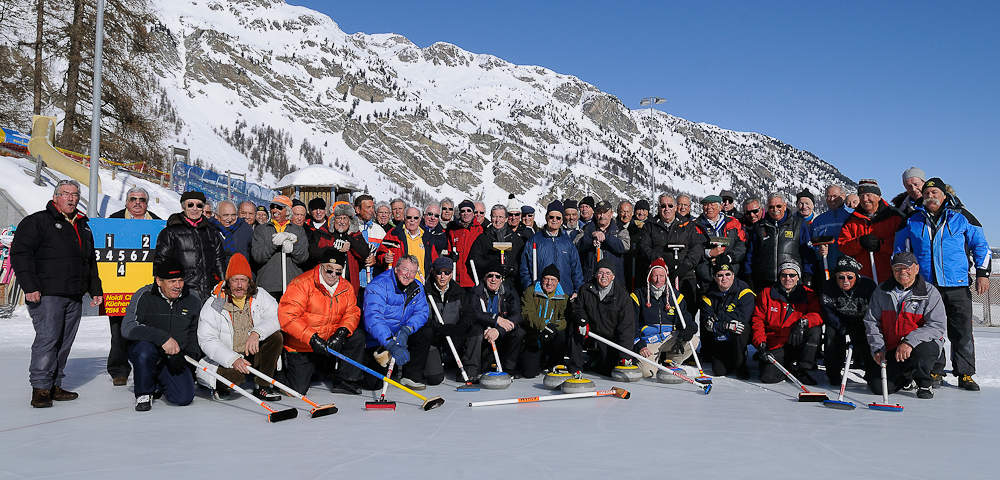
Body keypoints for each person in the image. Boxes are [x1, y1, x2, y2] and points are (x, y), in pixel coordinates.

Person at [12, 180, 103, 408]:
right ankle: (40, 389)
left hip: (74, 294)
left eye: (75, 194)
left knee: (64, 341)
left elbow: (89, 261)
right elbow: (21, 254)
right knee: (48, 340)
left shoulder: (83, 226)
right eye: (66, 194)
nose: (71, 199)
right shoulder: (37, 221)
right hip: (47, 294)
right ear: (56, 197)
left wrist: (95, 290)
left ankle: (54, 384)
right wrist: (30, 286)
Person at [894, 177, 991, 391]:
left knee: (961, 331)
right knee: (930, 330)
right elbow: (900, 251)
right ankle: (935, 370)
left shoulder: (962, 216)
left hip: (956, 284)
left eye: (934, 193)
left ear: (944, 195)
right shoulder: (912, 220)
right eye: (927, 194)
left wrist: (983, 273)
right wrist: (904, 275)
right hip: (926, 287)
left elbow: (981, 246)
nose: (930, 197)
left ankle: (965, 374)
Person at [278, 249, 367, 395]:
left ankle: (345, 380)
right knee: (296, 390)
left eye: (338, 272)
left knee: (356, 336)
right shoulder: (302, 283)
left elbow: (352, 312)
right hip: (304, 344)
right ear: (321, 266)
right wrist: (312, 338)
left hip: (329, 340)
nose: (333, 275)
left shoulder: (346, 287)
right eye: (329, 270)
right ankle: (274, 376)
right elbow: (288, 317)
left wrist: (341, 332)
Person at [197, 254, 283, 401]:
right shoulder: (215, 303)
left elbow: (276, 316)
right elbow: (207, 339)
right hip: (227, 356)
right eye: (234, 280)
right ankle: (219, 386)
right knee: (233, 378)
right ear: (228, 282)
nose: (239, 285)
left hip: (253, 352)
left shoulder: (260, 295)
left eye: (243, 280)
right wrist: (233, 359)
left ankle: (262, 386)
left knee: (275, 337)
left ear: (249, 282)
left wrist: (257, 333)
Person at [863, 252, 946, 399]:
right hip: (893, 347)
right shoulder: (881, 291)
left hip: (920, 345)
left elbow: (937, 326)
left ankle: (924, 383)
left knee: (923, 351)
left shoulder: (930, 292)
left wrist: (909, 341)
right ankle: (908, 377)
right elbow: (872, 322)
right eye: (897, 268)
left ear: (916, 268)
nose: (902, 272)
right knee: (878, 387)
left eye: (907, 268)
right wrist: (877, 348)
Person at [121, 258, 199, 411]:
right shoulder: (144, 295)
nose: (178, 286)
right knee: (144, 349)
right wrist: (162, 338)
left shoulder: (193, 299)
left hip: (175, 356)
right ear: (159, 281)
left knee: (183, 398)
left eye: (181, 280)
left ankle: (158, 380)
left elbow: (195, 332)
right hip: (147, 351)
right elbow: (128, 327)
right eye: (172, 281)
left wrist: (189, 357)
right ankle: (144, 393)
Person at [106, 187, 158, 386]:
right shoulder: (113, 221)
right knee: (118, 330)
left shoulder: (158, 223)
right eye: (133, 199)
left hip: (147, 287)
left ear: (147, 203)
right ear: (127, 201)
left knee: (149, 327)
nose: (138, 203)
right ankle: (119, 369)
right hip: (119, 285)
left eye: (142, 199)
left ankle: (146, 365)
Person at [362, 255, 431, 390]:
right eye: (405, 269)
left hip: (399, 334)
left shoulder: (417, 287)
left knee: (426, 332)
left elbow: (422, 313)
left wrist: (406, 330)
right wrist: (390, 343)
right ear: (396, 269)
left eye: (412, 271)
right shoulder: (379, 285)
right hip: (378, 340)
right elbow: (373, 318)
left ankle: (410, 376)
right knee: (374, 385)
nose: (408, 275)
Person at [751, 262, 823, 385]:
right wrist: (760, 345)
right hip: (776, 342)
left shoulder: (808, 294)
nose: (787, 279)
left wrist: (802, 323)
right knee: (768, 377)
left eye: (792, 275)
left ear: (798, 277)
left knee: (815, 330)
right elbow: (758, 320)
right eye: (784, 275)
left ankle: (802, 369)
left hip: (797, 340)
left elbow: (817, 314)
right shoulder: (767, 293)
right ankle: (787, 365)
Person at [153, 191, 225, 302]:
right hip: (182, 291)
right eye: (190, 205)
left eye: (199, 205)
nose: (194, 208)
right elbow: (161, 263)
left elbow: (219, 260)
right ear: (183, 207)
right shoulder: (171, 232)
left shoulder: (211, 232)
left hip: (210, 291)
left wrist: (223, 283)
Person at [568, 259, 634, 376]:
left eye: (608, 273)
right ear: (595, 274)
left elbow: (627, 327)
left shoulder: (622, 295)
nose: (604, 276)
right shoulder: (585, 289)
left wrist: (626, 355)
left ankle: (595, 361)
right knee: (575, 328)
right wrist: (582, 320)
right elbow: (578, 308)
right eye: (600, 273)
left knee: (609, 371)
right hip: (589, 331)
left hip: (609, 336)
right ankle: (575, 367)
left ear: (613, 276)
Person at [631, 259, 697, 377]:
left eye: (661, 276)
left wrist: (690, 328)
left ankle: (671, 362)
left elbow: (685, 316)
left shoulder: (675, 296)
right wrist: (639, 345)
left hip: (669, 338)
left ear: (666, 276)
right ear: (649, 276)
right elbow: (631, 324)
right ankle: (651, 362)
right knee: (647, 373)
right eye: (655, 276)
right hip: (649, 341)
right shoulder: (638, 295)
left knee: (694, 340)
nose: (658, 280)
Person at [637, 194, 702, 314]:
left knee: (687, 309)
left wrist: (686, 265)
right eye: (663, 205)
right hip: (660, 276)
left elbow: (697, 248)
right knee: (663, 311)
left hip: (685, 275)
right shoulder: (650, 226)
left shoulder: (687, 225)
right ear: (658, 208)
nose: (667, 208)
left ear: (675, 207)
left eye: (670, 205)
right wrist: (660, 259)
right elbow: (643, 247)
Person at [461, 260, 525, 376]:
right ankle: (472, 370)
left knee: (519, 333)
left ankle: (509, 369)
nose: (493, 279)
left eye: (497, 276)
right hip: (483, 334)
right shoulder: (475, 292)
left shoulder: (509, 292)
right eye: (490, 275)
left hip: (501, 335)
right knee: (475, 330)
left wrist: (499, 331)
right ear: (485, 278)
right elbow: (473, 313)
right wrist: (496, 319)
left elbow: (516, 315)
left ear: (501, 279)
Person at [820, 256, 877, 385]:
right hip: (840, 322)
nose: (845, 280)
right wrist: (843, 329)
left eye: (850, 277)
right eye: (841, 277)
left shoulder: (868, 285)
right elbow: (827, 311)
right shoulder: (829, 286)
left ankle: (871, 374)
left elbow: (875, 310)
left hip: (863, 323)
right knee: (830, 336)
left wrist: (864, 327)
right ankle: (834, 375)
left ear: (856, 276)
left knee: (870, 341)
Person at [838, 179, 903, 284]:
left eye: (869, 195)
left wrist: (881, 245)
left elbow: (903, 243)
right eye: (861, 196)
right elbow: (843, 245)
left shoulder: (894, 216)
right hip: (863, 277)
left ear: (878, 197)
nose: (865, 199)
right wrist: (860, 242)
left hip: (890, 275)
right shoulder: (853, 220)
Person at [746, 193, 815, 291]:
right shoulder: (759, 227)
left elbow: (808, 253)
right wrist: (748, 276)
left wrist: (808, 274)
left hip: (791, 281)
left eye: (778, 206)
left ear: (785, 206)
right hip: (765, 282)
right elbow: (751, 255)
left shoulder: (798, 225)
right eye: (771, 207)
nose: (775, 210)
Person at [700, 262, 755, 378]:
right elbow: (708, 324)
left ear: (733, 275)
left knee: (740, 327)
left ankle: (741, 364)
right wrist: (725, 325)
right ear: (715, 278)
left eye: (728, 274)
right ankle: (727, 358)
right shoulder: (708, 295)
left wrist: (719, 317)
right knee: (719, 371)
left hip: (739, 335)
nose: (724, 278)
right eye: (720, 275)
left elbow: (743, 316)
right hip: (720, 336)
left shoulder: (744, 291)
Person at [519, 201, 585, 296]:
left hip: (565, 293)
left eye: (558, 218)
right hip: (540, 293)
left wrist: (577, 290)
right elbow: (525, 267)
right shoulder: (535, 239)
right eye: (551, 217)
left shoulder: (567, 242)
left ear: (562, 220)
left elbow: (576, 268)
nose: (554, 220)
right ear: (546, 218)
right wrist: (529, 288)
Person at [251, 195, 309, 301]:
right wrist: (273, 244)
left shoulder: (298, 230)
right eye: (273, 206)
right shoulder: (261, 230)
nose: (275, 210)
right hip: (267, 286)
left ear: (288, 211)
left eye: (279, 207)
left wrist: (293, 246)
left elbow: (303, 257)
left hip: (292, 286)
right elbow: (258, 257)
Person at [309, 203, 371, 299]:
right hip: (325, 286)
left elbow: (364, 254)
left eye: (345, 218)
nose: (342, 222)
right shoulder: (321, 233)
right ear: (333, 219)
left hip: (350, 285)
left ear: (350, 221)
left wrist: (351, 241)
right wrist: (334, 250)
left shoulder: (355, 235)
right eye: (338, 218)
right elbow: (313, 254)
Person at [519, 264, 569, 378]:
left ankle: (555, 362)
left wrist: (552, 327)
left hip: (551, 338)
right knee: (529, 373)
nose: (549, 283)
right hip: (533, 338)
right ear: (542, 280)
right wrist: (545, 325)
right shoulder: (530, 292)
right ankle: (537, 361)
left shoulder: (564, 297)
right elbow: (527, 314)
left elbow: (564, 320)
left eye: (553, 280)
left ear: (558, 282)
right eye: (546, 279)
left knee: (562, 334)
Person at [424, 257, 466, 385]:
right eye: (439, 272)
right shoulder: (425, 292)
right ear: (433, 272)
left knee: (475, 331)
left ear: (451, 274)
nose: (443, 276)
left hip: (452, 336)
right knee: (435, 378)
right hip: (433, 338)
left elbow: (469, 314)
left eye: (447, 273)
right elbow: (421, 319)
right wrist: (438, 327)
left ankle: (469, 370)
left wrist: (459, 327)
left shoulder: (459, 292)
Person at [693, 194, 747, 283]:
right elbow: (692, 248)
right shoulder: (695, 225)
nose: (709, 207)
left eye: (712, 204)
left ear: (720, 207)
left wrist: (729, 258)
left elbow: (741, 245)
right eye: (706, 205)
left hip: (730, 274)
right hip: (706, 275)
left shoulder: (733, 223)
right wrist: (708, 253)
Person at [378, 207, 439, 283]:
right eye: (409, 217)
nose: (412, 220)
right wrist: (384, 258)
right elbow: (380, 253)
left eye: (415, 218)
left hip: (420, 283)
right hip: (398, 282)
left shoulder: (427, 238)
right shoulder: (394, 234)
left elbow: (435, 260)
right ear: (404, 218)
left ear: (420, 219)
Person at [469, 204, 524, 287]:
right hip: (488, 283)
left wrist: (512, 269)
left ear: (506, 219)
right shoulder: (482, 238)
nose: (497, 220)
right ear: (491, 218)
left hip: (510, 284)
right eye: (495, 217)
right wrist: (491, 266)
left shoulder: (515, 239)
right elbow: (475, 259)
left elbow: (522, 260)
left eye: (501, 217)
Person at [809, 185, 852, 285]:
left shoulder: (852, 217)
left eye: (835, 196)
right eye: (828, 196)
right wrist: (818, 252)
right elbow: (811, 245)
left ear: (843, 196)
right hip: (827, 268)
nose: (831, 199)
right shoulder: (819, 221)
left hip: (848, 270)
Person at [579, 200, 629, 280]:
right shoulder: (586, 229)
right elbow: (577, 246)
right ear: (595, 214)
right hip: (591, 279)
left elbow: (624, 247)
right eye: (599, 212)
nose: (602, 216)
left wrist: (606, 237)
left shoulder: (620, 230)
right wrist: (590, 237)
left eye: (605, 212)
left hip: (614, 281)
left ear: (611, 214)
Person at [350, 194, 385, 292]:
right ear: (357, 209)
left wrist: (377, 260)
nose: (372, 211)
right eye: (368, 207)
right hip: (353, 282)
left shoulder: (379, 230)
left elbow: (385, 253)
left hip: (373, 283)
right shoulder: (349, 228)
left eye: (373, 207)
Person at [446, 200, 483, 288]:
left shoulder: (479, 231)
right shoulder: (453, 231)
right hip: (457, 279)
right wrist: (450, 257)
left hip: (473, 279)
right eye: (463, 211)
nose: (466, 213)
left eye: (468, 210)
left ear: (473, 213)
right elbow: (448, 251)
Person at [215, 201, 253, 266]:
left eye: (233, 215)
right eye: (225, 215)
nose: (229, 219)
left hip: (240, 273)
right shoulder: (209, 229)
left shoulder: (245, 229)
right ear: (216, 216)